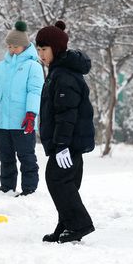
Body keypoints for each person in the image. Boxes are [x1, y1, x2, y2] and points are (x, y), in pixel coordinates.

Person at [36, 20, 96, 243]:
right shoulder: (59, 71)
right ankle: (66, 225)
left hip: (68, 142)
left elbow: (66, 114)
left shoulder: (64, 76)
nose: (41, 54)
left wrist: (61, 145)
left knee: (57, 181)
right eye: (39, 49)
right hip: (69, 141)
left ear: (56, 48)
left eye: (45, 49)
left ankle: (80, 224)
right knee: (67, 183)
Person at [0, 21, 43, 196]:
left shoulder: (33, 66)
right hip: (2, 122)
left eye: (15, 46)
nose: (12, 49)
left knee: (26, 156)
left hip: (23, 121)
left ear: (24, 45)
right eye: (9, 46)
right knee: (5, 157)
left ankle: (29, 189)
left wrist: (31, 114)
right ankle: (7, 187)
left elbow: (35, 91)